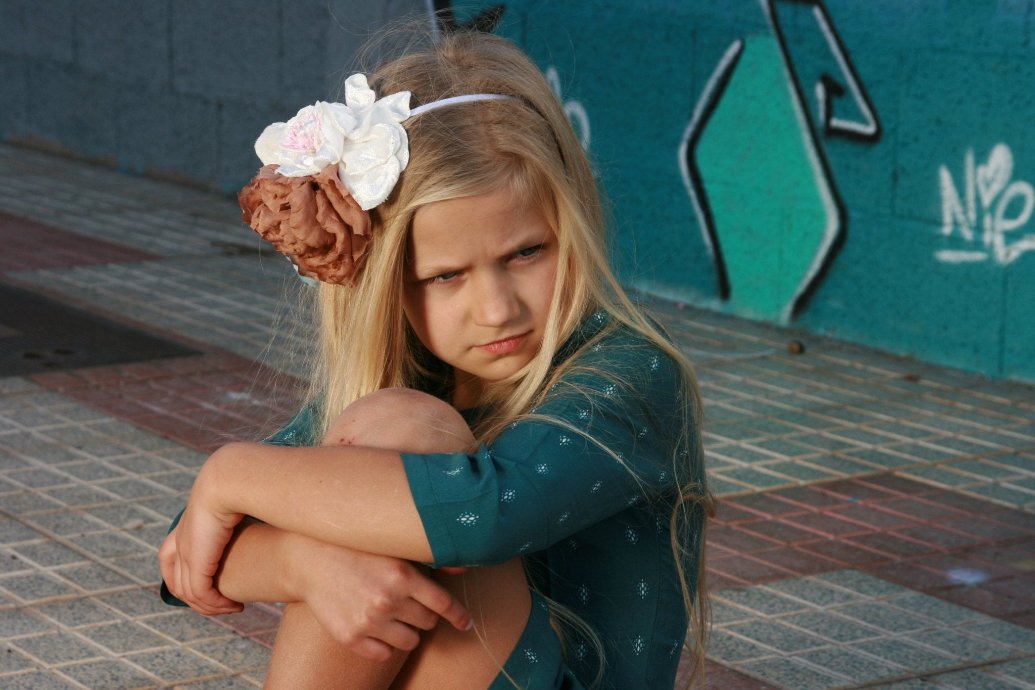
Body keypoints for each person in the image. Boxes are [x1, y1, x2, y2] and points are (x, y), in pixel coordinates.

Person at [159, 28, 712, 689]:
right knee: (363, 484)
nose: (497, 308)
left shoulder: (628, 370)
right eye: (446, 275)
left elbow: (487, 514)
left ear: (573, 223)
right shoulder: (418, 373)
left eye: (527, 253)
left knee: (402, 445)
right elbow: (187, 550)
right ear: (385, 285)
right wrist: (305, 565)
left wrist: (228, 472)